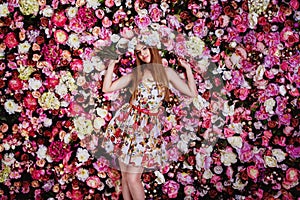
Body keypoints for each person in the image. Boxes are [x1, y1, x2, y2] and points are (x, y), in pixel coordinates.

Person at [101, 43, 198, 200]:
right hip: (127, 121)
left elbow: (192, 93)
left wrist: (187, 69)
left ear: (153, 48)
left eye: (145, 49)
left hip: (146, 129)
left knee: (133, 178)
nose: (142, 54)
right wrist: (112, 64)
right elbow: (107, 88)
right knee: (126, 178)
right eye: (138, 52)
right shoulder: (137, 72)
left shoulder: (167, 73)